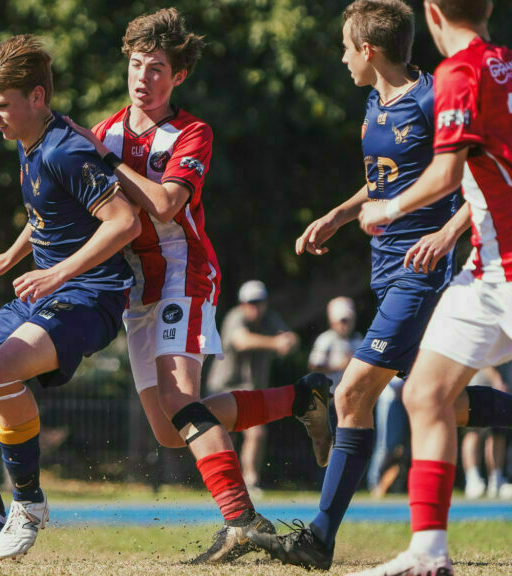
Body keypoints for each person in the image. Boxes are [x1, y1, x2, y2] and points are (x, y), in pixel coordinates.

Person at [251, 1, 512, 570]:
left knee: (352, 394)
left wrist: (447, 232)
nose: (343, 58)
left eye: (346, 48)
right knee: (433, 396)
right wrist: (341, 215)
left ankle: (319, 539)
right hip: (387, 267)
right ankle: (420, 548)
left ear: (368, 50)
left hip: (424, 272)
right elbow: (380, 180)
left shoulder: (438, 92)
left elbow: (467, 174)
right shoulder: (376, 102)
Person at [65, 9, 333, 563]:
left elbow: (165, 203)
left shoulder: (191, 132)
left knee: (180, 399)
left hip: (184, 276)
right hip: (137, 288)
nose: (144, 77)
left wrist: (104, 159)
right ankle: (300, 397)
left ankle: (241, 520)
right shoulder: (104, 131)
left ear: (178, 76)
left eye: (157, 67)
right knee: (171, 429)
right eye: (137, 64)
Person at [0, 34, 141, 565]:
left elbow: (125, 222)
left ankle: (29, 504)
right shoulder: (32, 144)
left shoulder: (67, 147)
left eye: (1, 105)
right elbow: (47, 214)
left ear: (37, 97)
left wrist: (57, 272)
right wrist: (8, 257)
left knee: (2, 370)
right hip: (46, 292)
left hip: (90, 295)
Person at [349, 0, 512, 572]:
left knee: (423, 395)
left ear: (431, 13)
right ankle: (427, 553)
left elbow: (447, 173)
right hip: (486, 270)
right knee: (424, 394)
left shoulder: (459, 72)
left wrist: (388, 207)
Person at [206, 280, 300, 496]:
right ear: (242, 303)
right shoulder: (234, 317)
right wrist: (276, 343)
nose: (254, 307)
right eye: (250, 303)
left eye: (259, 302)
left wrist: (290, 341)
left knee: (256, 433)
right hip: (223, 388)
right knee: (218, 437)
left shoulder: (270, 319)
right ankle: (222, 484)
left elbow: (290, 338)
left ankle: (250, 482)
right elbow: (241, 341)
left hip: (250, 390)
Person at [461, 367, 512, 499]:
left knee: (497, 434)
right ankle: (472, 480)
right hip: (478, 385)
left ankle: (496, 480)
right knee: (474, 433)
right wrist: (497, 379)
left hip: (499, 388)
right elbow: (484, 359)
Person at [309, 297, 363, 387]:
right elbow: (314, 366)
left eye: (349, 320)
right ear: (332, 321)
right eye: (342, 321)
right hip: (331, 393)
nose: (345, 325)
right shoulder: (325, 340)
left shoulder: (357, 339)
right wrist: (338, 366)